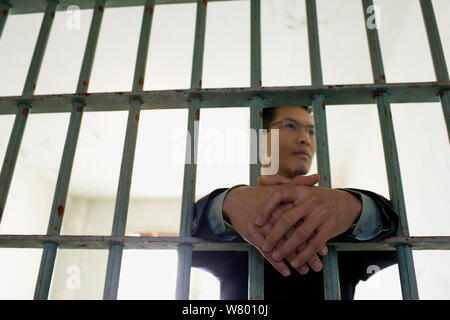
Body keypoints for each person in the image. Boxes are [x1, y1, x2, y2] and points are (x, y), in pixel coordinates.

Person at [191, 105, 399, 300]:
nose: (305, 139)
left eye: (311, 131)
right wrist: (226, 203)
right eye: (290, 126)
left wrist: (355, 207)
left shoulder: (338, 215)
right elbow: (189, 248)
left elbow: (397, 244)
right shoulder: (234, 215)